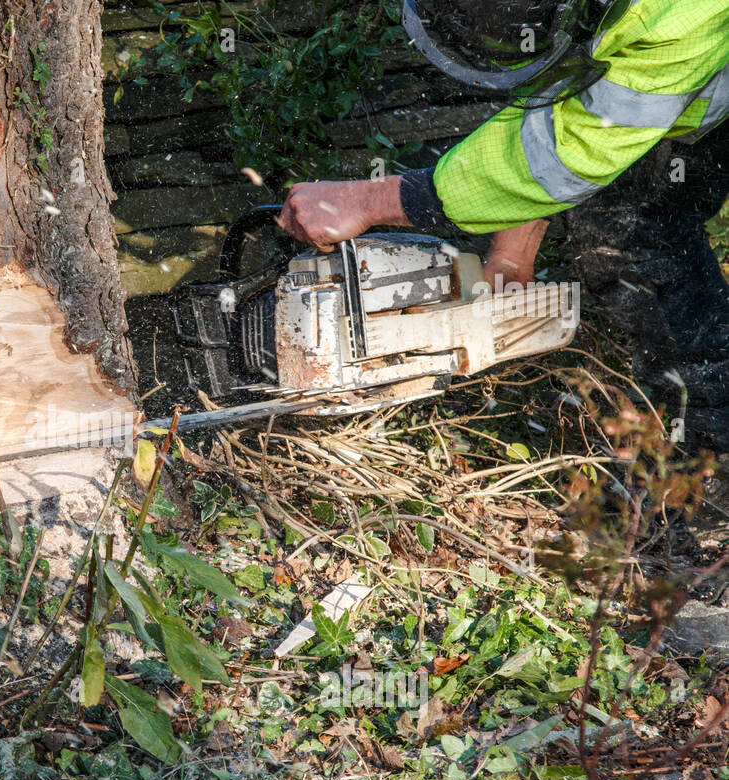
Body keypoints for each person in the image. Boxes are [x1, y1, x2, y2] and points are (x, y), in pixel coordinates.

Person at [278, 0, 729, 446]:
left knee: (638, 233)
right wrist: (513, 248)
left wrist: (367, 200)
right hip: (699, 79)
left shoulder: (672, 19)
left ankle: (710, 454)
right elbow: (564, 98)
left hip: (705, 62)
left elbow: (571, 152)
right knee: (622, 216)